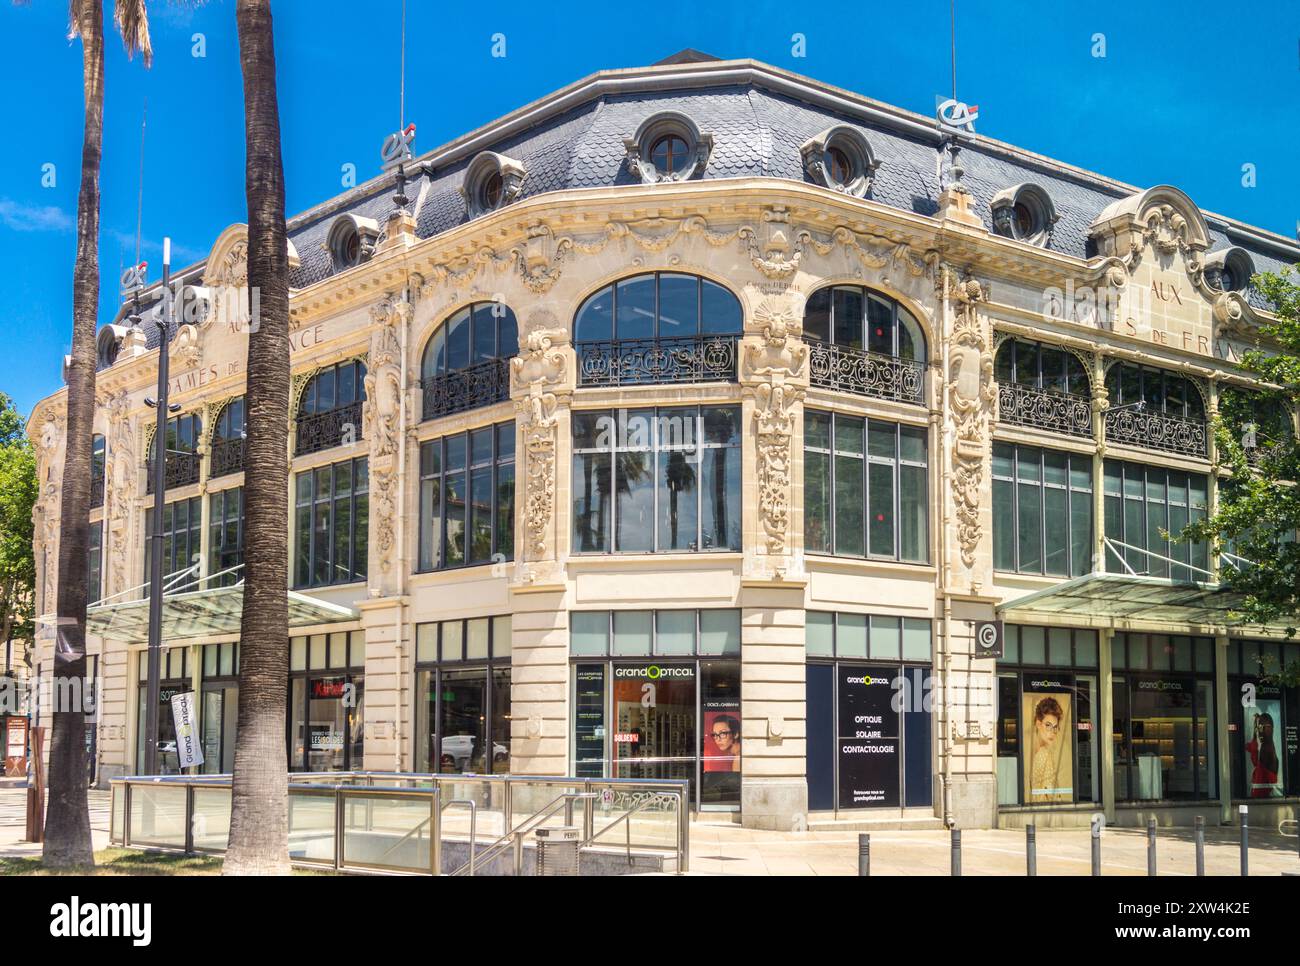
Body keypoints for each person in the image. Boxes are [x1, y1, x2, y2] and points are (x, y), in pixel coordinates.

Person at [1029, 696, 1065, 803]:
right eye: (1048, 725)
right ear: (1038, 724)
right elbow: (1051, 794)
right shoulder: (1044, 754)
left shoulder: (1035, 753)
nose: (1053, 732)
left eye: (1055, 727)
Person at [1246, 711, 1280, 798]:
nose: (1259, 731)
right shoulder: (1264, 746)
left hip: (1262, 799)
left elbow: (1253, 747)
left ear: (1270, 728)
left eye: (1261, 728)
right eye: (1258, 728)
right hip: (1259, 797)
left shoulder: (1267, 750)